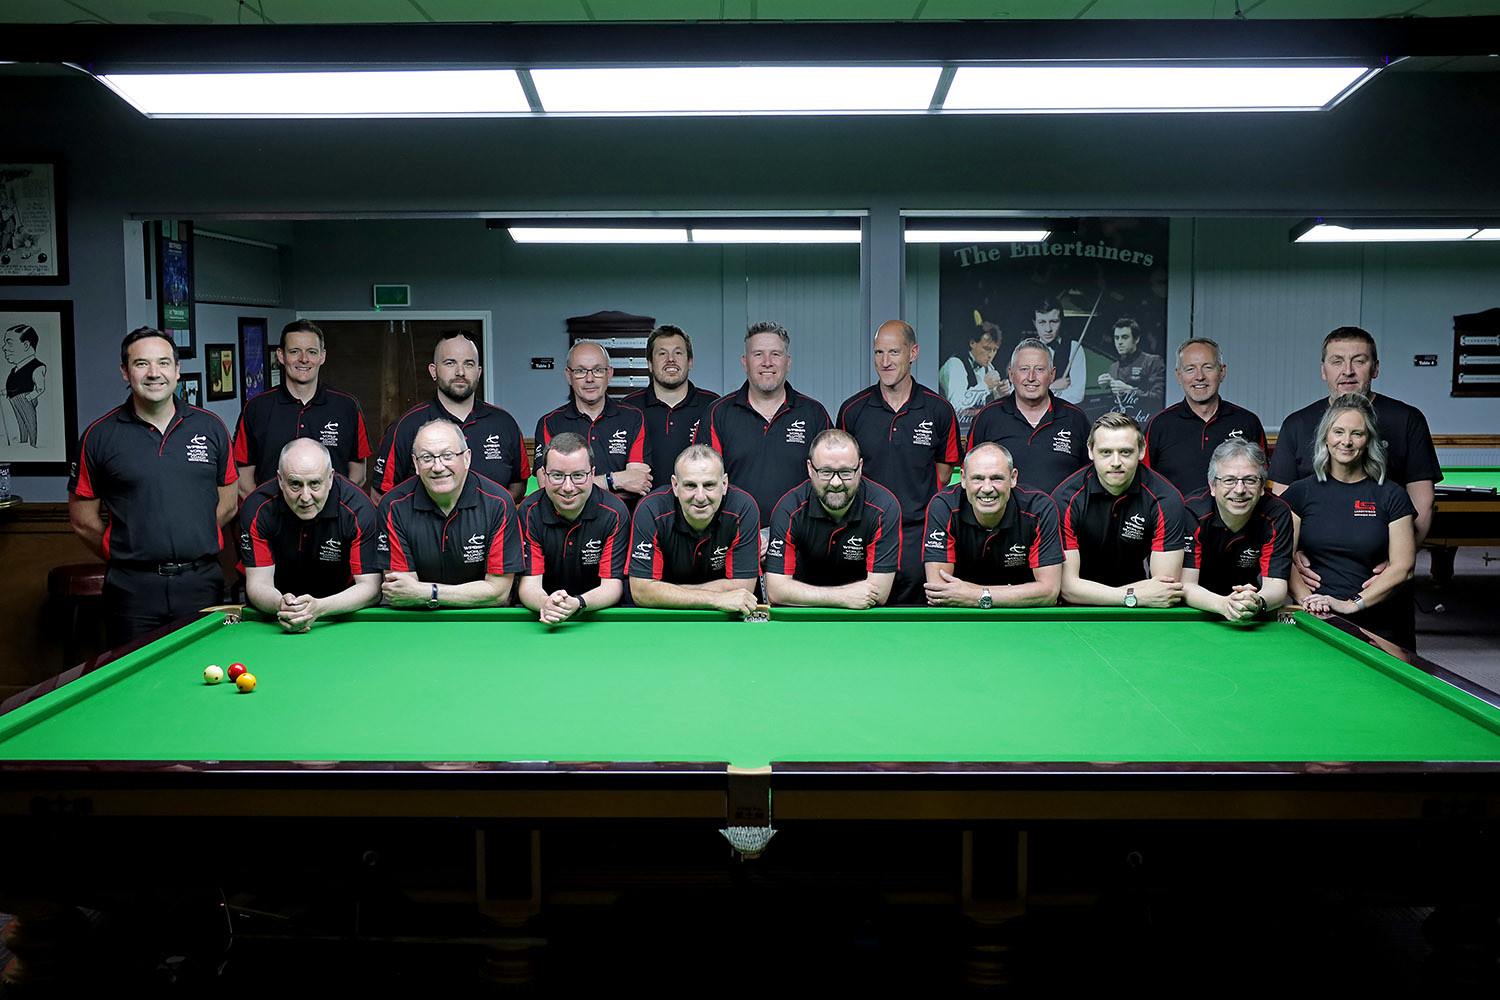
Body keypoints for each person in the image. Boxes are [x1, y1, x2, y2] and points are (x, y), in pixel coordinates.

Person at [69, 327, 239, 644]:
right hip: (132, 588)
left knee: (204, 667)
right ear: (125, 372)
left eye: (163, 363)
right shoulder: (98, 436)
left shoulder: (211, 427)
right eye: (141, 363)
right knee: (134, 670)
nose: (153, 373)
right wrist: (130, 550)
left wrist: (189, 535)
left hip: (201, 582)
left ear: (177, 370)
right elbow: (82, 520)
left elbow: (228, 504)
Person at [1270, 326, 1439, 547]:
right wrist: (1291, 556)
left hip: (1383, 554)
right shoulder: (1296, 424)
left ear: (1375, 368)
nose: (1348, 371)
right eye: (1337, 361)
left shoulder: (1407, 420)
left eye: (1359, 361)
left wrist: (1398, 559)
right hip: (1309, 560)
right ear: (1323, 370)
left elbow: (1422, 502)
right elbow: (1282, 506)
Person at [835, 320, 961, 605]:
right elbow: (841, 474)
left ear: (913, 353)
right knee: (864, 613)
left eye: (894, 352)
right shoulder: (852, 410)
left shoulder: (939, 410)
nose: (885, 361)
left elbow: (943, 475)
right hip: (863, 535)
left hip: (918, 536)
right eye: (879, 352)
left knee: (921, 618)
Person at [1283, 394, 1417, 648]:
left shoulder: (1392, 495)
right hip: (1315, 619)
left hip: (1378, 623)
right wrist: (1309, 602)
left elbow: (1404, 567)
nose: (1346, 441)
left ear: (1368, 440)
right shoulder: (1299, 493)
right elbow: (1281, 557)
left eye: (1357, 433)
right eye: (1338, 432)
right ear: (1325, 437)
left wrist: (1350, 604)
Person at [696, 321, 831, 536]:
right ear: (745, 362)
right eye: (758, 354)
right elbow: (702, 480)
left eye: (775, 354)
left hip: (799, 539)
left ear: (787, 362)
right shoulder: (718, 413)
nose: (767, 362)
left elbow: (829, 482)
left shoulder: (814, 414)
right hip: (734, 538)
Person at [371, 331, 530, 503]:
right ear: (433, 371)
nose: (460, 372)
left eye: (468, 364)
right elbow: (380, 495)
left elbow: (518, 483)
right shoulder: (406, 426)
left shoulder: (504, 423)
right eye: (450, 363)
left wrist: (492, 511)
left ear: (478, 372)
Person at [239, 438, 381, 631]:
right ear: (280, 480)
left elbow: (371, 588)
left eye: (314, 483)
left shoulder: (358, 508)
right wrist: (282, 606)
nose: (305, 497)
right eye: (295, 484)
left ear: (330, 478)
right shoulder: (257, 508)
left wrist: (319, 608)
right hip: (278, 613)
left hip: (339, 613)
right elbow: (258, 584)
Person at [378, 420, 521, 608]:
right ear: (415, 463)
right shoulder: (393, 506)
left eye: (447, 455)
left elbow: (498, 593)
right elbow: (402, 592)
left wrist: (429, 593)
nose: (438, 467)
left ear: (467, 458)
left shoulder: (498, 503)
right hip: (418, 619)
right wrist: (473, 593)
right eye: (427, 458)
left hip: (482, 620)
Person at [1052, 412, 1186, 607]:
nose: (1115, 462)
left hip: (1142, 610)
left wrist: (1132, 598)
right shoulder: (1065, 499)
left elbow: (1165, 588)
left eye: (1125, 452)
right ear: (1090, 451)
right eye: (1106, 452)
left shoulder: (1166, 499)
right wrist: (1131, 597)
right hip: (1080, 609)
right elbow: (1067, 588)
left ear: (1141, 450)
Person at [233, 319, 372, 500]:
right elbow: (243, 479)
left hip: (333, 516)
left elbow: (358, 475)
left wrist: (338, 508)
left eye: (311, 352)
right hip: (273, 516)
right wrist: (263, 510)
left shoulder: (347, 406)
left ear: (322, 356)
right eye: (294, 352)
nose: (304, 359)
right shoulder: (256, 408)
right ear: (281, 356)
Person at [764, 430, 901, 609]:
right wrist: (842, 597)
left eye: (846, 472)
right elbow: (775, 591)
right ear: (810, 469)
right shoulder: (789, 509)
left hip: (863, 617)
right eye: (826, 472)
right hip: (804, 616)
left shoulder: (884, 508)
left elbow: (879, 593)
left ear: (860, 468)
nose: (836, 483)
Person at [922, 442, 1063, 608]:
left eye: (997, 478)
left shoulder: (1039, 509)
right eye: (978, 478)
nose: (987, 488)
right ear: (963, 479)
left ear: (1013, 478)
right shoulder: (943, 506)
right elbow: (939, 590)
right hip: (961, 617)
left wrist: (975, 595)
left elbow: (1049, 592)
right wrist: (1015, 593)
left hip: (1022, 617)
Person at [628, 445, 761, 613]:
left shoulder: (743, 509)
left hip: (725, 618)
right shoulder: (651, 510)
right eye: (690, 485)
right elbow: (641, 592)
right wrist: (715, 598)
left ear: (724, 484)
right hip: (666, 617)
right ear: (675, 485)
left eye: (709, 485)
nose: (700, 497)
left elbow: (743, 588)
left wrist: (665, 591)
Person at [517, 432, 631, 624]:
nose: (568, 487)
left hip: (596, 614)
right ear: (544, 474)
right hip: (544, 611)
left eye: (578, 475)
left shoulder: (614, 512)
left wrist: (578, 603)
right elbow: (529, 585)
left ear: (592, 474)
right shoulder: (529, 512)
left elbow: (613, 586)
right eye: (557, 476)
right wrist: (547, 604)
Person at [1181, 438, 1291, 623]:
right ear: (1212, 486)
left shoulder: (1277, 514)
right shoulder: (1191, 512)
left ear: (1262, 486)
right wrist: (1224, 604)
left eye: (1250, 480)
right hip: (1196, 610)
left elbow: (1276, 586)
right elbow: (1186, 585)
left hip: (1248, 607)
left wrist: (1258, 602)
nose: (1240, 489)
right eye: (1229, 480)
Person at [1143, 338, 1267, 498]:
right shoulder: (1158, 426)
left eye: (1208, 367)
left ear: (1222, 372)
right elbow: (1143, 483)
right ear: (1179, 376)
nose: (1199, 376)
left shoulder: (1248, 422)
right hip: (1176, 515)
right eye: (1190, 369)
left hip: (1236, 514)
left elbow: (1262, 480)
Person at [967, 338, 1091, 494]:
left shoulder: (1076, 419)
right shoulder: (987, 417)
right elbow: (970, 474)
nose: (1031, 377)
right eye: (1024, 369)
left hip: (1061, 511)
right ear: (1011, 374)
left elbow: (1090, 477)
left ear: (1052, 375)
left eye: (1039, 369)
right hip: (1003, 511)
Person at [534, 340, 652, 501]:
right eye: (580, 371)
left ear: (609, 374)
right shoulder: (549, 423)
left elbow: (638, 483)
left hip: (622, 515)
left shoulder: (633, 417)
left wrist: (572, 486)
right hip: (568, 517)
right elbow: (548, 487)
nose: (589, 378)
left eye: (598, 370)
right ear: (569, 375)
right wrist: (615, 480)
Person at [622, 324, 719, 490]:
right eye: (662, 353)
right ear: (650, 364)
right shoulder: (628, 408)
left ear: (690, 362)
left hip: (699, 502)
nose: (670, 359)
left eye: (678, 353)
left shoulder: (713, 406)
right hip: (642, 504)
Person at [1097, 318, 1165, 423]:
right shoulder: (1113, 367)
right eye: (1116, 338)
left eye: (1124, 337)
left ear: (1136, 339)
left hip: (1145, 421)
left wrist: (1130, 390)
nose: (1119, 342)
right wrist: (1104, 386)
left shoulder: (1152, 361)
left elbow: (1159, 398)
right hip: (1120, 424)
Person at [938, 321, 1001, 436]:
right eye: (986, 348)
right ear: (972, 343)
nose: (990, 355)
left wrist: (999, 393)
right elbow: (956, 407)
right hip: (955, 433)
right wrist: (985, 386)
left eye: (994, 350)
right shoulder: (955, 364)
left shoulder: (987, 368)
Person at [1031, 299, 1086, 406]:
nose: (1048, 329)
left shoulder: (1074, 348)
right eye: (1042, 322)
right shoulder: (1026, 349)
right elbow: (1018, 391)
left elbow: (1077, 394)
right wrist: (1051, 387)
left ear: (1061, 321)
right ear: (1034, 323)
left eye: (1054, 322)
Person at [3, 323, 45, 448]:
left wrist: (29, 397)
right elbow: (15, 385)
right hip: (13, 398)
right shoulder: (15, 369)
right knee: (21, 421)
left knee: (29, 422)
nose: (4, 348)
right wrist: (4, 391)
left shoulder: (37, 366)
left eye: (9, 343)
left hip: (25, 398)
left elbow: (40, 388)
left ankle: (33, 444)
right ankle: (23, 442)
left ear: (26, 345)